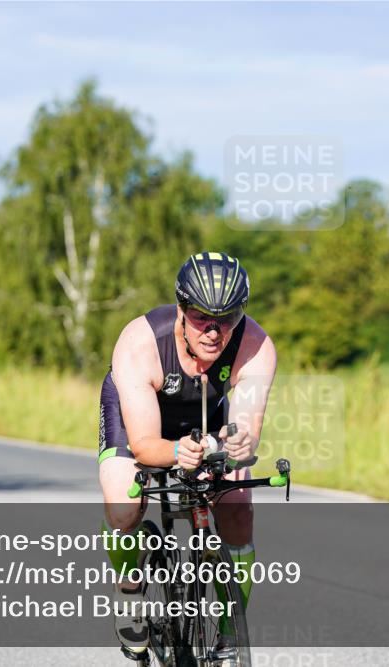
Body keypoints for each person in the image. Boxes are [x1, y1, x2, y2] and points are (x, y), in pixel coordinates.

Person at [98, 251, 277, 658]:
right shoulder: (141, 342)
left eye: (227, 318)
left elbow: (248, 426)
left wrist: (240, 444)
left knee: (237, 508)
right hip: (140, 420)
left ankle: (231, 635)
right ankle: (128, 590)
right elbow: (144, 444)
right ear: (181, 308)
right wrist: (177, 450)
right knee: (125, 504)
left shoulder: (256, 345)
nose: (214, 331)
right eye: (201, 317)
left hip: (207, 417)